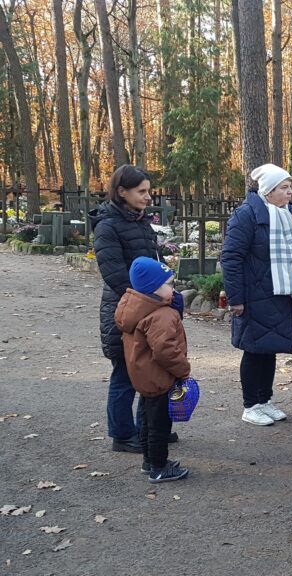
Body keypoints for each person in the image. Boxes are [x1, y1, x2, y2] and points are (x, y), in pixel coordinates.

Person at [221, 164, 292, 426]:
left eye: (290, 187)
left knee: (268, 349)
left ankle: (265, 400)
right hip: (253, 296)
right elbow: (231, 257)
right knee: (253, 350)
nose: (290, 192)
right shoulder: (246, 215)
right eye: (284, 187)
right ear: (268, 191)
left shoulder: (287, 215)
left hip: (277, 293)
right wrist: (236, 298)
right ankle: (250, 405)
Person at [92, 165, 170, 453]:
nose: (148, 197)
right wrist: (149, 300)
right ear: (122, 192)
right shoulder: (107, 226)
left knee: (147, 371)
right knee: (125, 374)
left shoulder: (140, 222)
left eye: (148, 191)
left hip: (148, 307)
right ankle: (123, 434)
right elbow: (114, 275)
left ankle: (146, 429)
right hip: (125, 310)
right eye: (142, 191)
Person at [114, 257, 191, 483]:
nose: (174, 289)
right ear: (153, 289)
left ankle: (149, 461)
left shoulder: (134, 309)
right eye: (169, 284)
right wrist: (183, 369)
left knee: (147, 421)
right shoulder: (161, 315)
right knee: (160, 425)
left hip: (143, 376)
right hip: (160, 378)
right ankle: (159, 467)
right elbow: (165, 351)